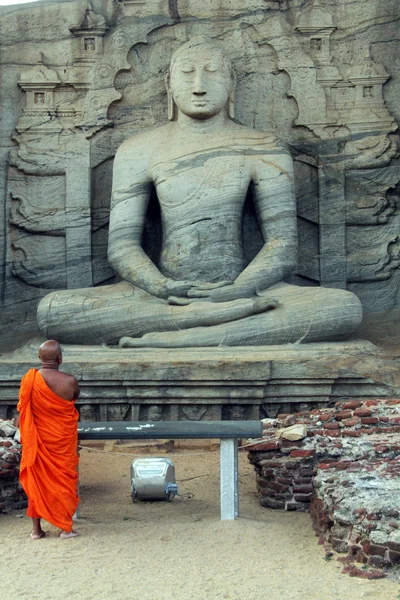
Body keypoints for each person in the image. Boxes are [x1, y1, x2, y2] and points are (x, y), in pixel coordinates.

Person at [37, 36, 362, 346]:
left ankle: (190, 334)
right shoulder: (138, 149)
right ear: (169, 84)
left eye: (212, 73)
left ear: (232, 84)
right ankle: (222, 324)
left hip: (244, 291)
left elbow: (283, 245)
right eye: (187, 73)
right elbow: (122, 248)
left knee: (343, 308)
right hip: (161, 297)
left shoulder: (263, 147)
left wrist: (238, 289)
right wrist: (161, 286)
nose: (198, 86)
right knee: (53, 311)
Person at [17, 340, 80, 539]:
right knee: (62, 482)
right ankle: (65, 528)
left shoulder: (29, 380)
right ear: (60, 358)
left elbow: (23, 410)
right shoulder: (69, 381)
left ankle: (36, 530)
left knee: (38, 482)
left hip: (37, 441)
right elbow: (74, 397)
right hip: (61, 441)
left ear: (39, 359)